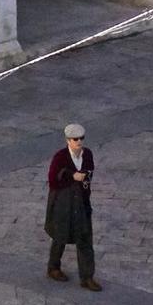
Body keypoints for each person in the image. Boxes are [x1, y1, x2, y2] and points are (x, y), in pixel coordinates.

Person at [45, 122, 100, 290]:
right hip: (64, 202)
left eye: (81, 138)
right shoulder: (60, 156)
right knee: (60, 236)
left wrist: (84, 176)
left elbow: (90, 170)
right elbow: (53, 179)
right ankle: (53, 267)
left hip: (81, 202)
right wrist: (71, 176)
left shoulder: (87, 154)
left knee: (85, 238)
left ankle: (87, 277)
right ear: (68, 140)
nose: (79, 142)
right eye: (75, 139)